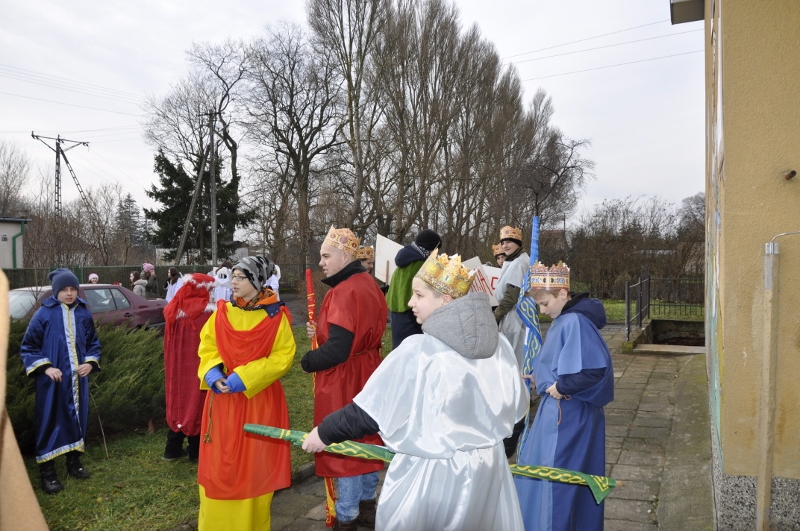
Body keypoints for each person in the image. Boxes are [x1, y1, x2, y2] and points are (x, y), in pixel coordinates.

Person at [303, 250, 529, 531]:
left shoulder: (420, 351)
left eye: (419, 295)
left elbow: (370, 412)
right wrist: (494, 453)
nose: (410, 302)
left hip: (432, 474)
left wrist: (324, 432)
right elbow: (518, 414)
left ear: (445, 300)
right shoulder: (501, 346)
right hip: (489, 474)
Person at [514, 261, 614, 531]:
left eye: (545, 303)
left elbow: (594, 370)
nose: (542, 311)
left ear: (562, 293)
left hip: (567, 416)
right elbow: (567, 362)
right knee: (572, 478)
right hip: (569, 412)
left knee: (558, 479)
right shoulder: (567, 319)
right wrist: (541, 375)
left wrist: (561, 387)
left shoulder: (574, 321)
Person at [196, 255, 295, 530]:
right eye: (234, 276)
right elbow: (207, 346)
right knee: (219, 467)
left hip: (259, 402)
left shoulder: (276, 317)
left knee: (254, 467)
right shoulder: (222, 313)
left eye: (241, 277)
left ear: (256, 280)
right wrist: (213, 371)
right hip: (222, 403)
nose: (234, 282)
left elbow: (283, 357)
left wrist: (245, 377)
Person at [301, 226, 388, 530]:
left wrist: (308, 361)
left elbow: (338, 349)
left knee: (345, 444)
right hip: (368, 370)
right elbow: (356, 330)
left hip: (345, 377)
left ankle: (347, 517)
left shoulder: (343, 290)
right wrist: (321, 331)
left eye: (326, 256)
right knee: (367, 438)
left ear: (344, 256)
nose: (321, 262)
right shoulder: (369, 284)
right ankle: (367, 505)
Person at [19, 268, 101, 494]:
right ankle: (47, 473)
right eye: (64, 289)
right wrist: (46, 367)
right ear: (56, 292)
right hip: (52, 383)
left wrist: (90, 363)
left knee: (77, 419)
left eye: (73, 289)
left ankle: (74, 463)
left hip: (77, 382)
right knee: (50, 421)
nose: (69, 293)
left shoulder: (83, 313)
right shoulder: (43, 314)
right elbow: (28, 346)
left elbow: (93, 343)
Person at [162, 273, 215, 463]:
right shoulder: (208, 314)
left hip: (176, 366)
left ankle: (172, 449)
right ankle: (195, 452)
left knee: (178, 401)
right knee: (196, 402)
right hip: (197, 365)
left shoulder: (174, 309)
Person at [493, 226, 530, 458]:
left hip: (514, 318)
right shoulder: (514, 261)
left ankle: (516, 413)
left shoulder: (518, 263)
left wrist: (496, 315)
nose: (505, 245)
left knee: (514, 363)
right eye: (503, 241)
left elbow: (511, 295)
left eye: (509, 241)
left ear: (518, 243)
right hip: (511, 317)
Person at [385, 229, 441, 349]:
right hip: (411, 312)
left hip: (397, 310)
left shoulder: (406, 259)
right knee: (411, 349)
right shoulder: (420, 264)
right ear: (431, 247)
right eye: (436, 249)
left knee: (399, 348)